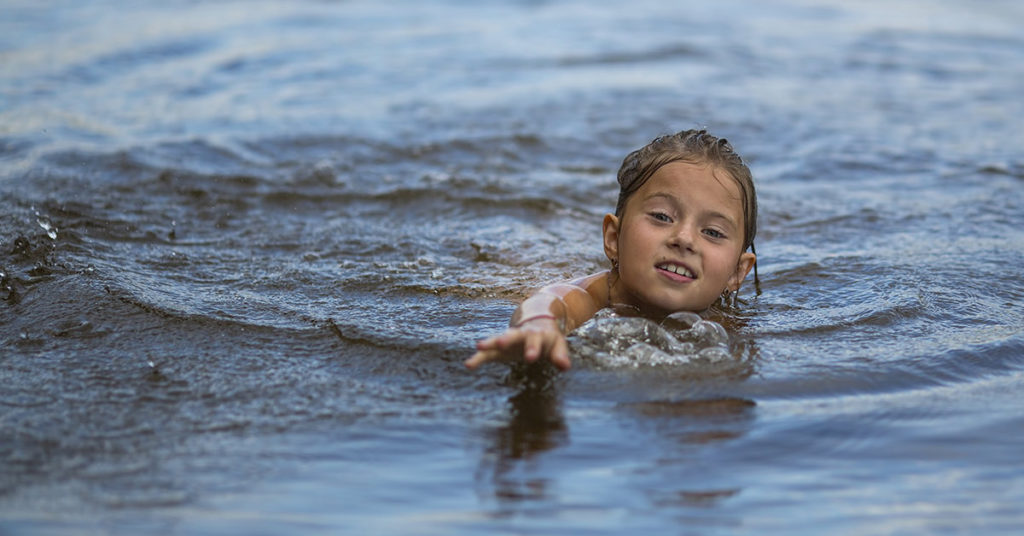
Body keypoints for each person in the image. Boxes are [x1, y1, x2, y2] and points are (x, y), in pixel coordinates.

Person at [465, 129, 758, 371]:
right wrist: (538, 325)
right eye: (661, 216)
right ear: (614, 238)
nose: (684, 239)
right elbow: (549, 301)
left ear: (737, 272)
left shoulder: (728, 324)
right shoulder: (593, 296)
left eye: (712, 232)